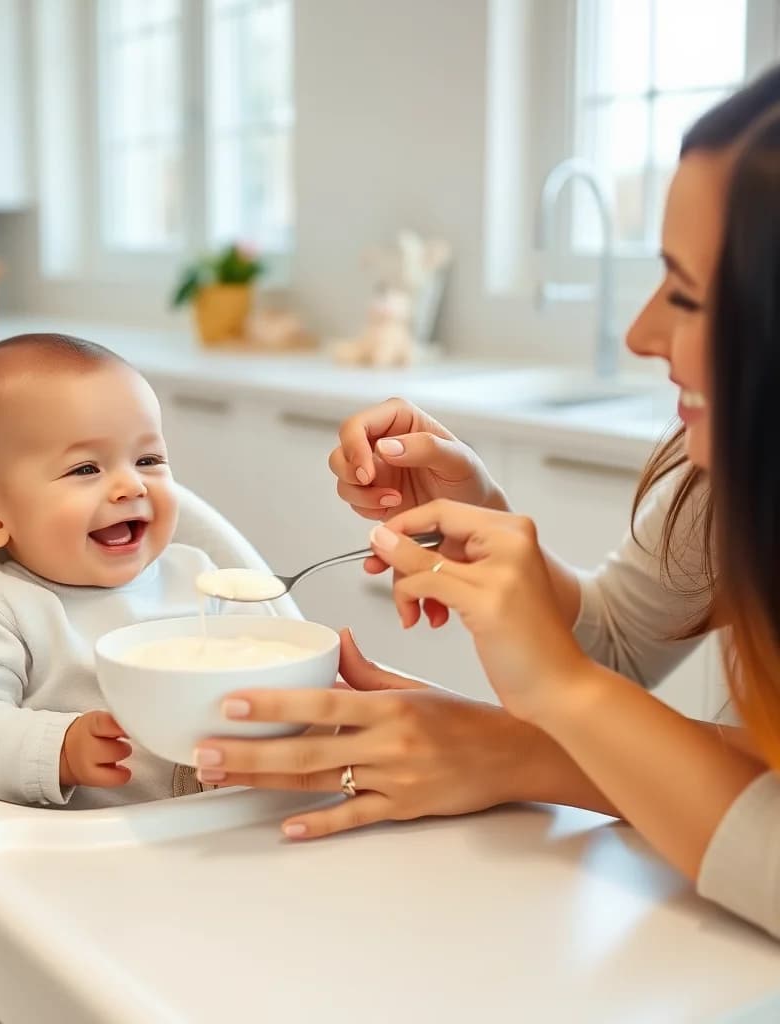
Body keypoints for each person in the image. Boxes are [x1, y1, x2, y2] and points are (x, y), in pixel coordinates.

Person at [192, 67, 780, 938]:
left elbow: (598, 698)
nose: (640, 332)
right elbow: (618, 650)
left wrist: (534, 742)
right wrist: (492, 533)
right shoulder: (728, 478)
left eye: (688, 296)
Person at [0, 333, 226, 807]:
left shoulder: (200, 577)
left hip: (241, 824)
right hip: (98, 856)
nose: (130, 485)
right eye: (85, 469)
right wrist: (59, 748)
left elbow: (282, 659)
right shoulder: (3, 610)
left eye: (148, 459)